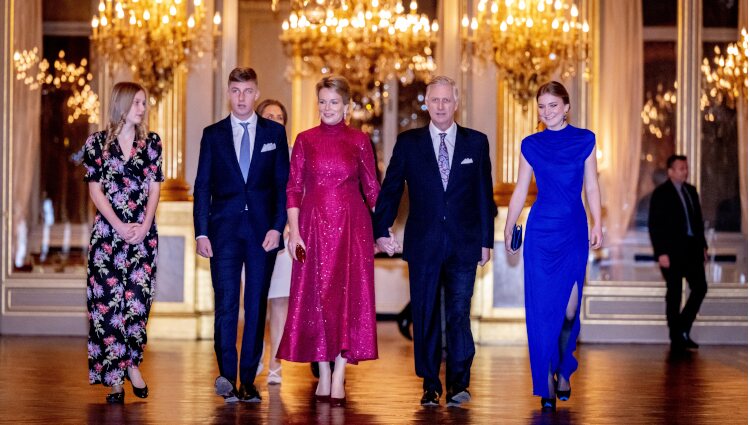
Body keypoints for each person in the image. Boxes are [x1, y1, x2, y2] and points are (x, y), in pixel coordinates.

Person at [373, 75, 496, 407]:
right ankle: (430, 383)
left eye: (447, 100)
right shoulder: (409, 143)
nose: (441, 106)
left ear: (456, 103)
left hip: (465, 243)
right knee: (425, 313)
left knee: (458, 313)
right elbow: (391, 188)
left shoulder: (476, 142)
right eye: (435, 100)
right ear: (427, 104)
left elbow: (484, 194)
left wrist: (486, 240)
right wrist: (380, 229)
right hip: (424, 243)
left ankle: (458, 382)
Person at [276, 75, 380, 407]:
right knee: (315, 298)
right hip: (313, 228)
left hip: (353, 230)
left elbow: (372, 189)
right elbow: (292, 188)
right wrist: (294, 232)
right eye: (322, 101)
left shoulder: (360, 140)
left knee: (346, 300)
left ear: (347, 106)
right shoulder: (304, 140)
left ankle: (339, 373)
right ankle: (322, 369)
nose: (327, 107)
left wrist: (383, 230)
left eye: (334, 102)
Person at [504, 81, 602, 411]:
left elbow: (592, 186)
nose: (547, 112)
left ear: (567, 106)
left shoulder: (585, 139)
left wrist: (598, 222)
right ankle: (546, 375)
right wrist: (508, 225)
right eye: (542, 107)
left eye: (553, 106)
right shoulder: (531, 144)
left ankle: (563, 366)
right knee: (542, 310)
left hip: (573, 229)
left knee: (570, 310)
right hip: (541, 232)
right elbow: (520, 189)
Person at [193, 68, 290, 403]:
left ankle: (248, 380)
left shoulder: (274, 134)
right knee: (226, 305)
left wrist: (278, 227)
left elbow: (283, 187)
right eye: (236, 91)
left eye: (248, 91)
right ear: (228, 93)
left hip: (263, 233)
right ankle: (226, 376)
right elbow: (202, 186)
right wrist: (201, 232)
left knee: (256, 306)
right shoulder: (213, 134)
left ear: (256, 92)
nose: (242, 98)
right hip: (222, 233)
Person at [83, 81, 163, 404]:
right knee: (106, 309)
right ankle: (115, 379)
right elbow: (95, 190)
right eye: (138, 103)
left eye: (144, 103)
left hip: (142, 238)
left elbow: (155, 187)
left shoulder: (152, 143)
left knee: (137, 305)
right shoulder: (96, 144)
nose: (143, 109)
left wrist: (143, 226)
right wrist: (118, 225)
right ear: (123, 104)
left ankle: (132, 364)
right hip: (107, 239)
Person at [648, 154, 707, 351]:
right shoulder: (661, 193)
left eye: (686, 168)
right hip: (671, 252)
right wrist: (661, 253)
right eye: (681, 168)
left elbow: (697, 222)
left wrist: (703, 246)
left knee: (700, 288)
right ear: (670, 171)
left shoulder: (691, 191)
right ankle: (676, 335)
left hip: (693, 250)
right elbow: (655, 226)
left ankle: (682, 327)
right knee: (674, 292)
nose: (685, 171)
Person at [255, 99, 290, 384]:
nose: (275, 120)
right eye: (270, 116)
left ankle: (275, 363)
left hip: (285, 237)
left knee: (279, 302)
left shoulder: (293, 153)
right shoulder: (249, 152)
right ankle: (255, 353)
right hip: (252, 237)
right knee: (255, 302)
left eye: (280, 117)